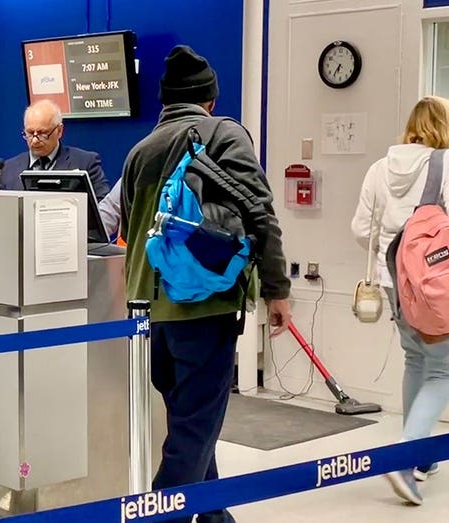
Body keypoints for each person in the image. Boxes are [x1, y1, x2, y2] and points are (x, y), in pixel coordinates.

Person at [121, 45, 291, 523]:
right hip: (204, 303)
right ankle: (161, 516)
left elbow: (129, 228)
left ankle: (215, 517)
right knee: (194, 429)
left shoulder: (139, 152)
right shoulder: (225, 134)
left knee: (190, 420)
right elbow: (260, 213)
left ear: (164, 100)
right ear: (210, 100)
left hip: (147, 310)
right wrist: (277, 288)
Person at [351, 96, 449, 505]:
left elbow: (362, 228)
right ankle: (406, 456)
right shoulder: (447, 164)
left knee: (416, 360)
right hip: (436, 285)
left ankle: (421, 456)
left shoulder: (380, 167)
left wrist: (394, 256)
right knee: (444, 369)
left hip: (393, 280)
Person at [0, 99, 111, 200]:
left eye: (42, 133)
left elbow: (102, 207)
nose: (35, 140)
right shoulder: (8, 169)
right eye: (30, 133)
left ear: (59, 131)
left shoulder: (86, 163)